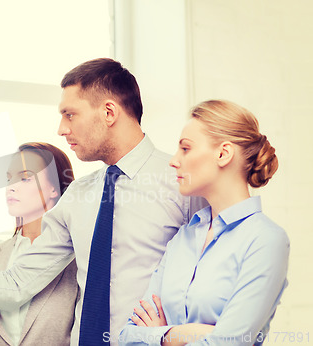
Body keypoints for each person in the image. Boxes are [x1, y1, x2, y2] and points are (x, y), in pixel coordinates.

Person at [0, 58, 206, 346]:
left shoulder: (183, 182)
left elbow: (219, 282)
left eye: (70, 114)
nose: (61, 129)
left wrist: (180, 334)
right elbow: (15, 283)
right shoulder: (78, 197)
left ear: (109, 112)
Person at [119, 100, 289, 346]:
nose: (173, 161)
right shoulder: (183, 237)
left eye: (185, 149)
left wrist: (161, 334)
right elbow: (127, 337)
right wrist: (188, 333)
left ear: (223, 154)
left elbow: (229, 342)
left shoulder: (266, 240)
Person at [0, 142, 79, 346]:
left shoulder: (78, 261)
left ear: (54, 188)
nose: (11, 186)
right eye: (9, 178)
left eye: (24, 178)